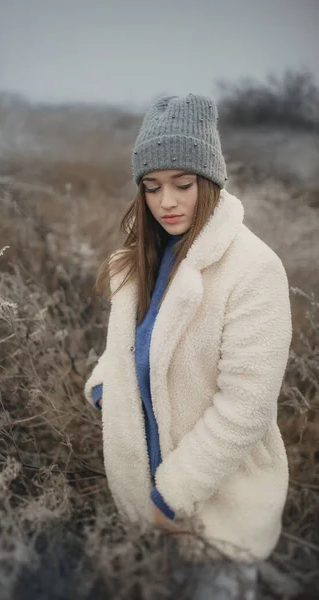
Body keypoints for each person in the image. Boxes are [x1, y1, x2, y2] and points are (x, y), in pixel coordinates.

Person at [83, 94, 292, 598]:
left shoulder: (254, 269)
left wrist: (173, 495)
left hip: (216, 510)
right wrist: (104, 388)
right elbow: (129, 345)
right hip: (147, 505)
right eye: (152, 187)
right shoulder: (139, 258)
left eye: (183, 184)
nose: (166, 202)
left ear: (212, 183)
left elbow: (246, 405)